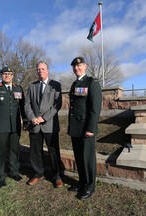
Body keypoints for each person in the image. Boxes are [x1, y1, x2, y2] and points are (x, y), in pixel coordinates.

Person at [0, 66, 26, 188]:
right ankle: (1, 176)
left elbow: (22, 107)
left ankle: (14, 172)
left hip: (15, 127)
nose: (7, 75)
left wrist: (25, 121)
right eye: (4, 74)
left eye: (9, 73)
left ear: (13, 75)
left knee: (14, 150)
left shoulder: (18, 88)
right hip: (0, 126)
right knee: (1, 152)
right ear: (1, 76)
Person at [68, 57, 102, 200]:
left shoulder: (91, 83)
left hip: (86, 128)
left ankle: (90, 186)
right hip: (76, 128)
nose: (77, 68)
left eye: (79, 65)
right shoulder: (75, 84)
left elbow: (95, 108)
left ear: (85, 66)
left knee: (87, 158)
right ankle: (82, 182)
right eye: (75, 66)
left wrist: (91, 128)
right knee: (79, 157)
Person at [24, 61, 63, 188]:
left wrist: (43, 118)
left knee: (53, 150)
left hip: (49, 124)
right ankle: (38, 173)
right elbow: (27, 104)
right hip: (34, 124)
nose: (40, 71)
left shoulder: (55, 85)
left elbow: (57, 104)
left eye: (43, 69)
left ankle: (57, 175)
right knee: (35, 151)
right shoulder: (32, 86)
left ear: (48, 70)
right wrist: (32, 118)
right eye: (38, 69)